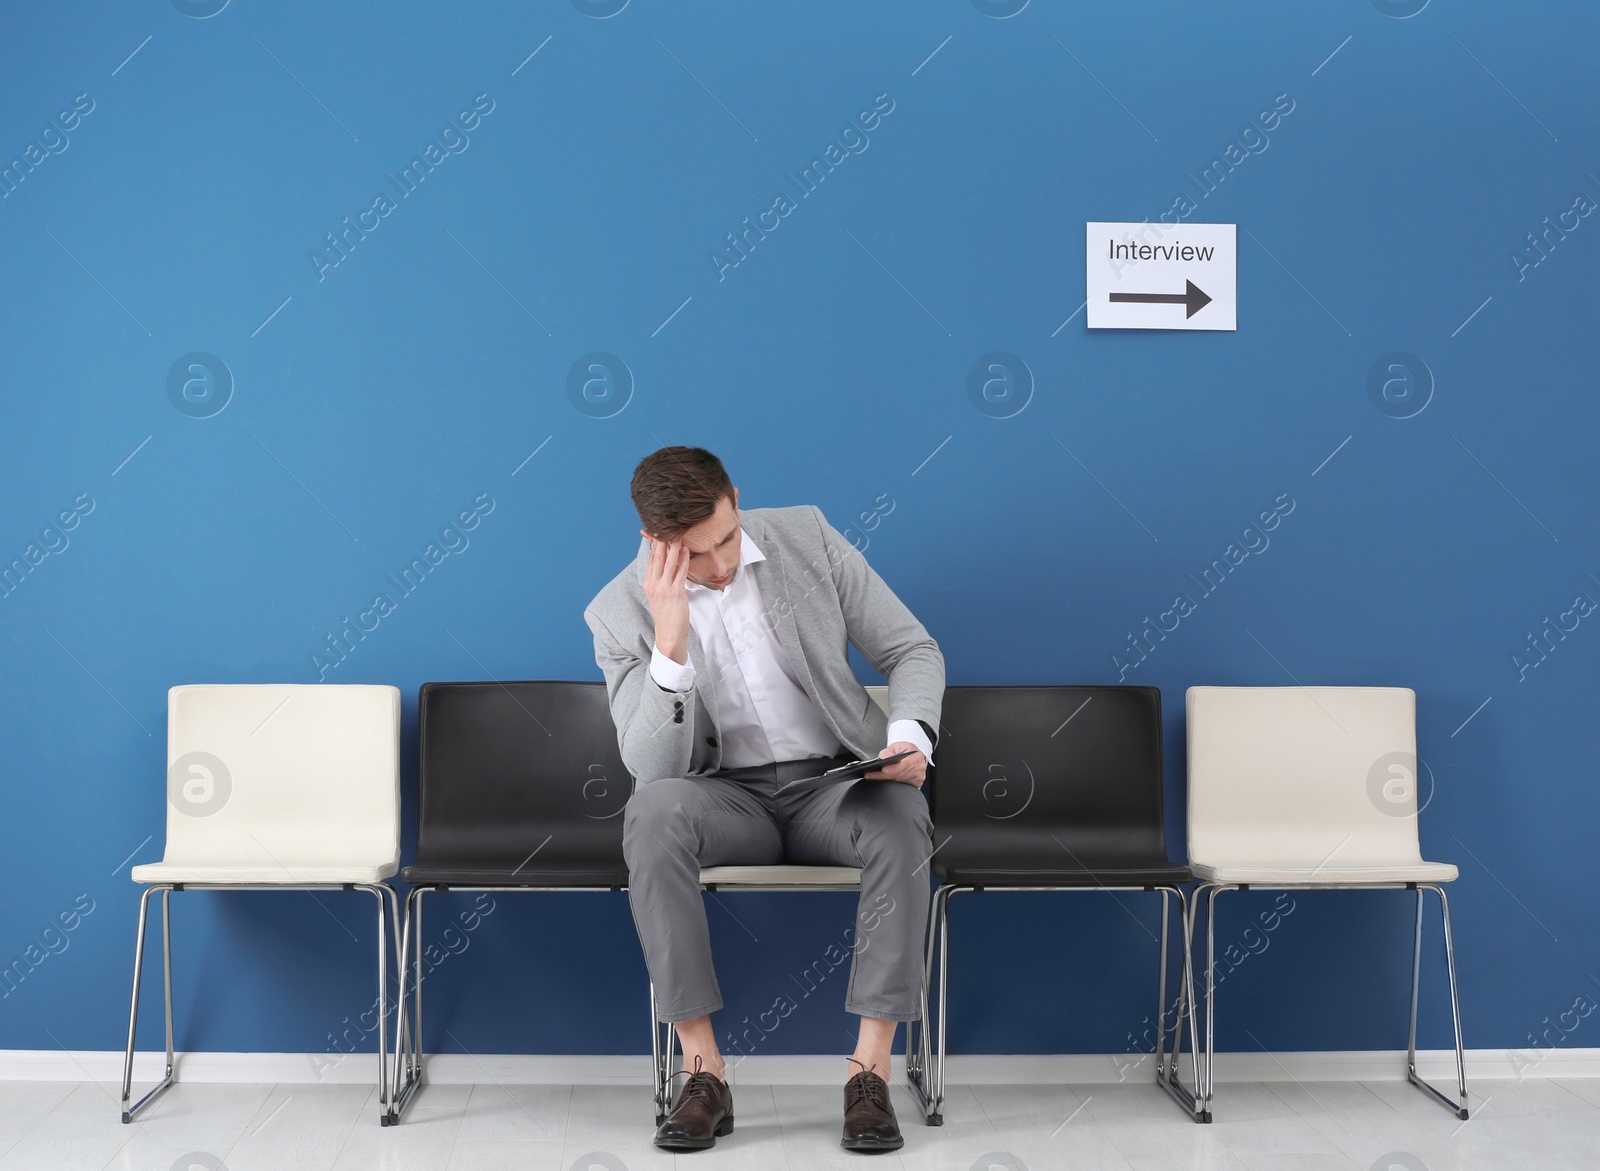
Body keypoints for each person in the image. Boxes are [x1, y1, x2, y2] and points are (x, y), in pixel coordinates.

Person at [584, 445, 944, 1152]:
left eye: (725, 539)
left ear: (736, 499)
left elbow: (913, 649)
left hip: (835, 786)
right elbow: (652, 767)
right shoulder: (616, 610)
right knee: (650, 813)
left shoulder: (807, 535)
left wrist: (909, 738)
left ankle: (869, 1073)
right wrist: (669, 642)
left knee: (904, 819)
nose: (718, 566)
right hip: (725, 799)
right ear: (655, 545)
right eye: (695, 556)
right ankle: (704, 1072)